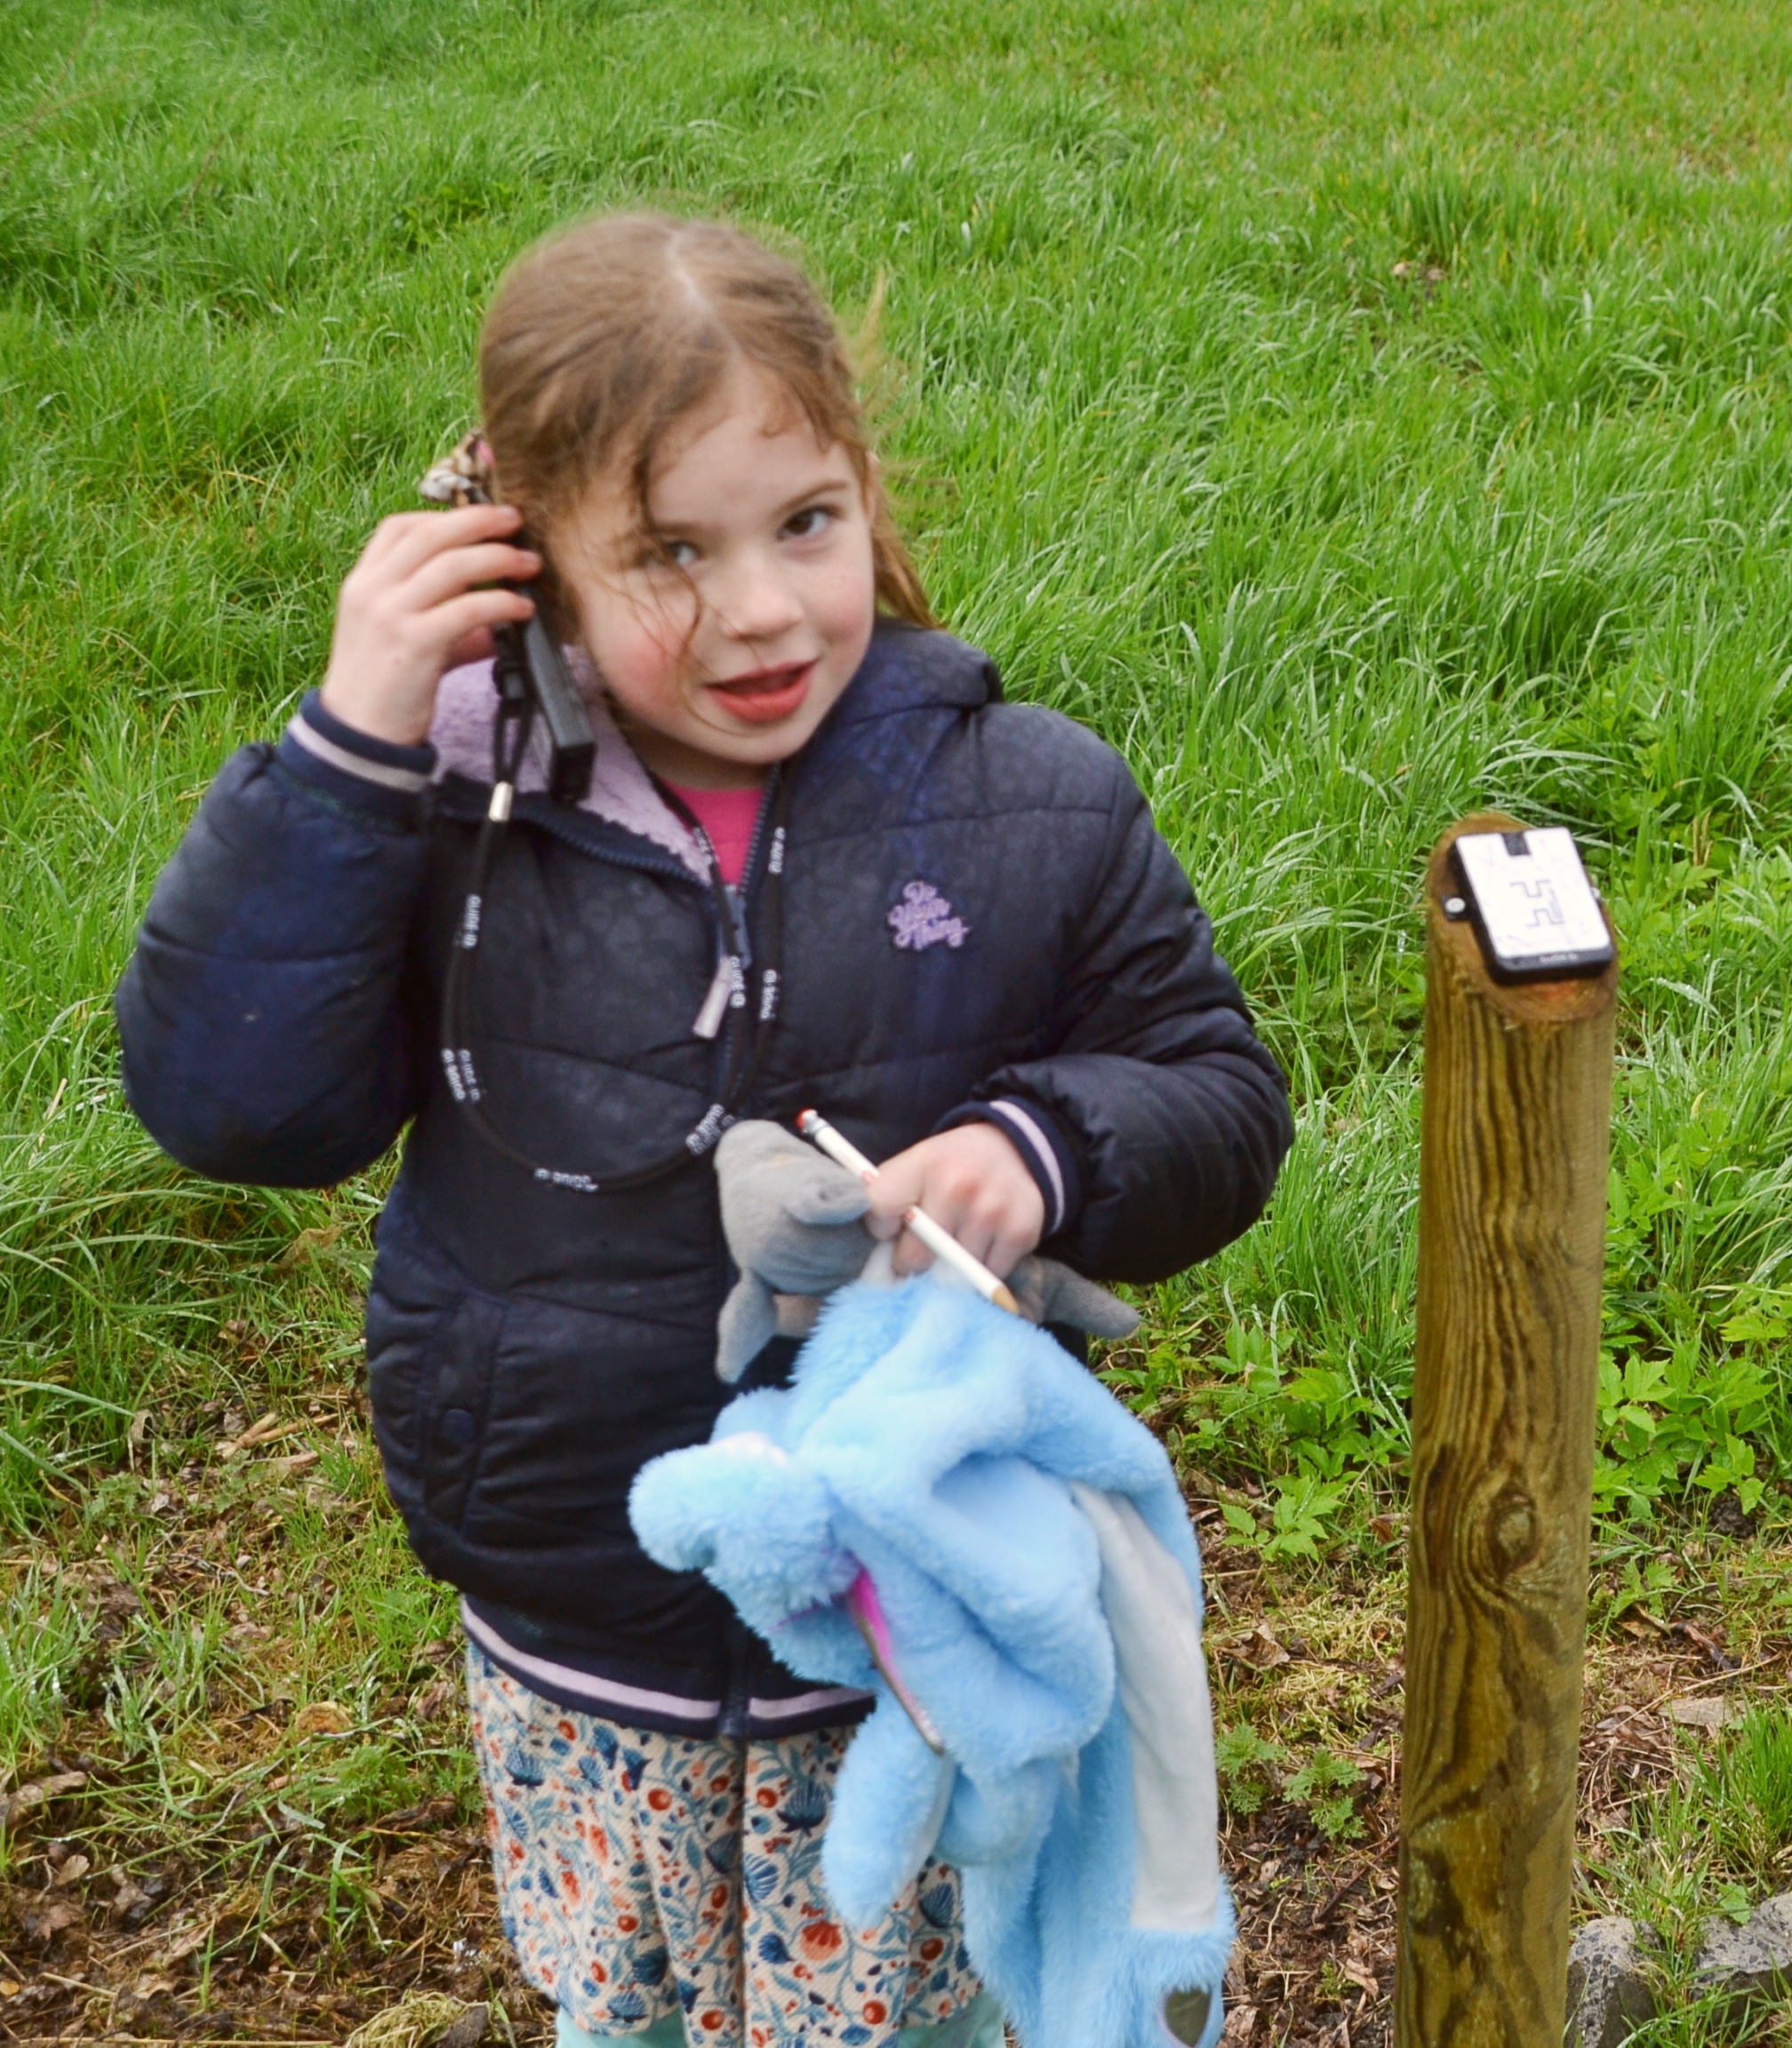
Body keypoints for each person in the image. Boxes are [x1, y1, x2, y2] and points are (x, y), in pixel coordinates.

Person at [116, 212, 1292, 2047]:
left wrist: (1042, 1148)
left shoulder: (1026, 797)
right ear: (525, 561)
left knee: (919, 2013)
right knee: (630, 2010)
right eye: (671, 552)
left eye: (804, 523)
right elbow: (235, 1104)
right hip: (587, 1610)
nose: (761, 611)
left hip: (911, 1626)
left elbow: (1217, 1090)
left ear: (865, 488)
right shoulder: (450, 816)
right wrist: (349, 749)